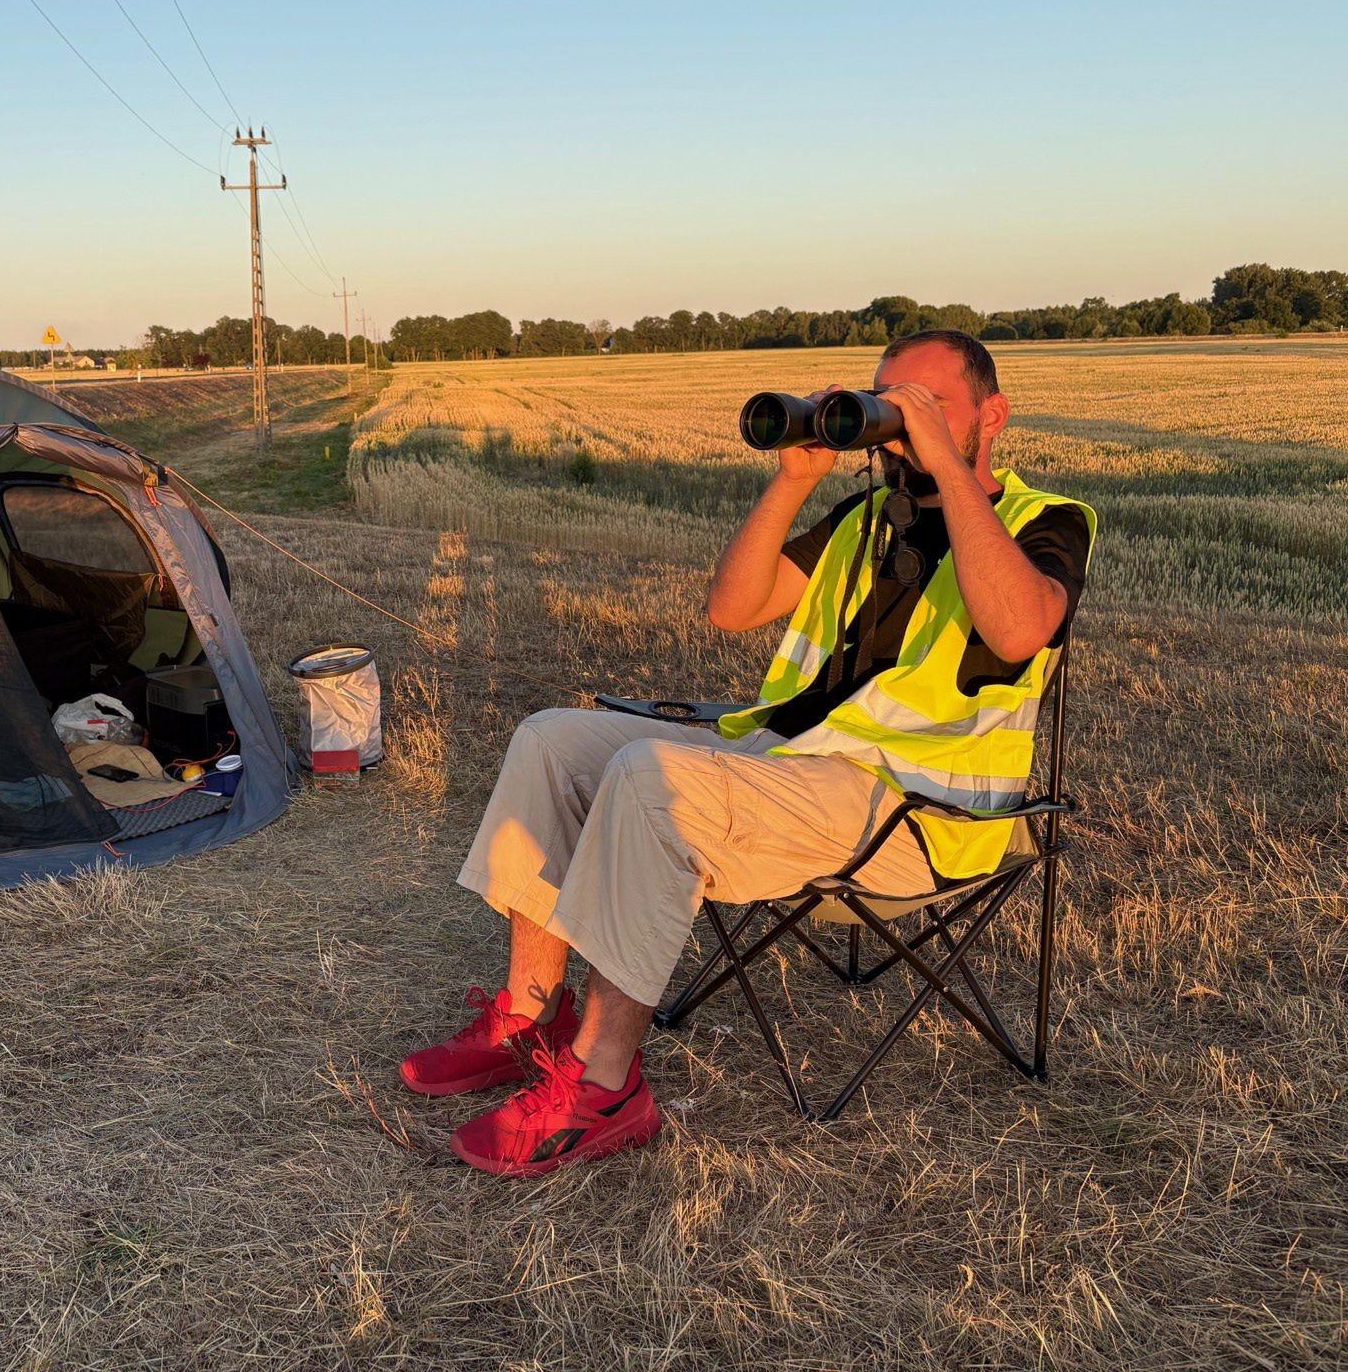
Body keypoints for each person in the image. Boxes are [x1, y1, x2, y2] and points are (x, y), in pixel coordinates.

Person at [399, 329, 1095, 1176]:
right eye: (889, 403)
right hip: (795, 764)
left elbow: (1021, 627)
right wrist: (792, 480)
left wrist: (950, 470)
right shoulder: (864, 518)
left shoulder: (1046, 520)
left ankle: (604, 1086)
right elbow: (733, 607)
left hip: (914, 813)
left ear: (992, 416)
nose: (903, 424)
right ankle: (527, 1019)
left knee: (649, 781)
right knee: (551, 739)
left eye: (929, 406)